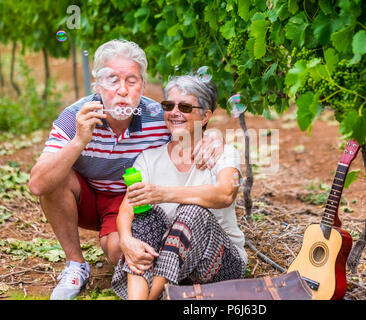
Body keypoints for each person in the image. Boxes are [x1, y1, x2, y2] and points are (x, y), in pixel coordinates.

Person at [28, 40, 221, 300]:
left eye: (132, 81)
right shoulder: (74, 116)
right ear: (96, 84)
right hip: (84, 196)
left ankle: (155, 270)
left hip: (130, 200)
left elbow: (192, 126)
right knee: (54, 179)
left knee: (121, 252)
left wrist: (212, 136)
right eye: (112, 80)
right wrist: (79, 141)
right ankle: (76, 265)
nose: (122, 90)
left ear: (142, 84)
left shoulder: (159, 116)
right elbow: (37, 184)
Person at [111, 75, 248, 300]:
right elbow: (128, 207)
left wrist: (164, 193)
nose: (175, 112)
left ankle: (149, 297)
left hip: (220, 265)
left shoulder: (223, 153)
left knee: (192, 210)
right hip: (174, 260)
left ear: (205, 117)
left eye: (184, 107)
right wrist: (126, 240)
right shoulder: (149, 158)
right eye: (168, 105)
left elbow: (225, 194)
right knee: (142, 215)